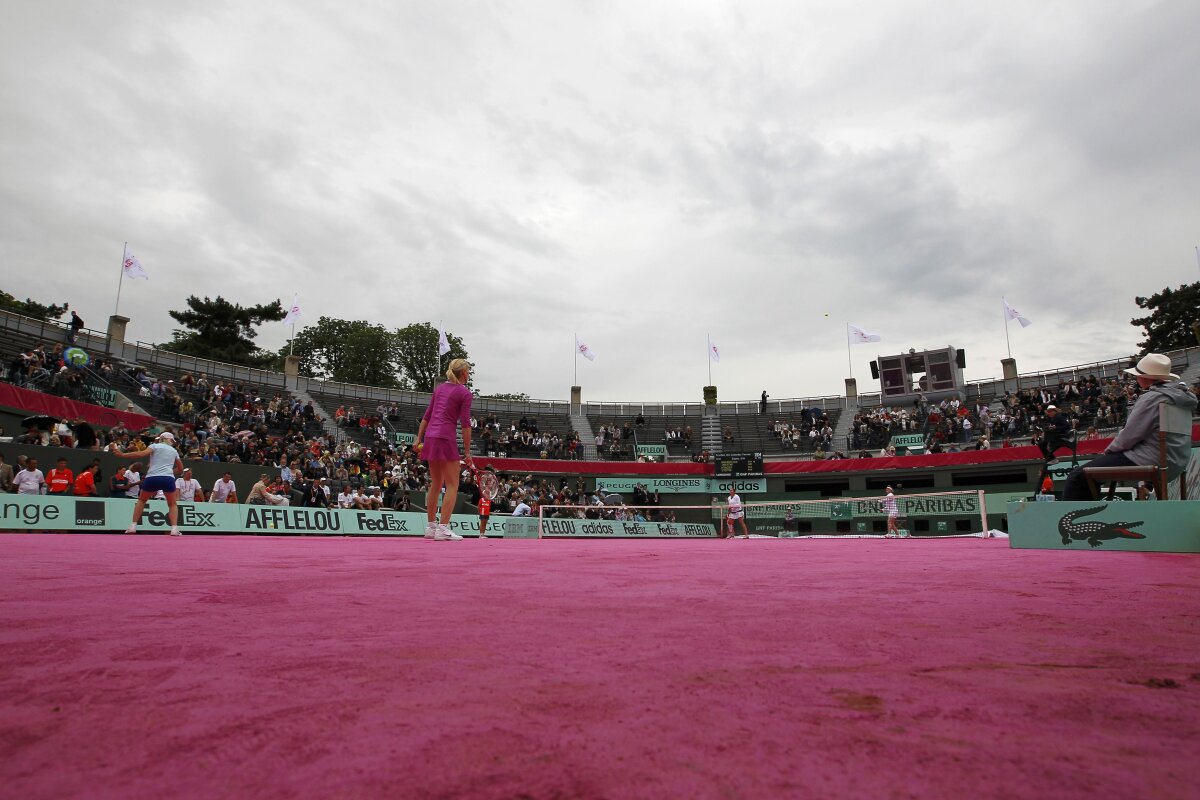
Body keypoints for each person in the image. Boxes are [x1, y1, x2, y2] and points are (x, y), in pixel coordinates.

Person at [1063, 354, 1197, 500]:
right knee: (1092, 473)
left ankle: (1079, 520)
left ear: (1145, 377)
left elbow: (1131, 435)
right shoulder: (1182, 400)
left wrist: (1110, 451)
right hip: (1177, 462)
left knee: (1077, 477)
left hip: (1153, 459)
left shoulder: (1152, 398)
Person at [415, 358, 474, 541]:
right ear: (464, 374)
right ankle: (443, 527)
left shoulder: (439, 389)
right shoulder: (464, 393)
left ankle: (431, 527)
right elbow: (465, 424)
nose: (469, 374)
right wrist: (467, 451)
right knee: (452, 485)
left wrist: (418, 439)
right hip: (446, 437)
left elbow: (427, 416)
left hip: (431, 436)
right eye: (468, 371)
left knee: (436, 483)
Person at [110, 431, 184, 536]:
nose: (172, 442)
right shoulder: (174, 451)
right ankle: (174, 529)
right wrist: (169, 472)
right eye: (172, 440)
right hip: (168, 478)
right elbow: (180, 468)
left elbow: (140, 454)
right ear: (169, 440)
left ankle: (133, 526)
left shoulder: (154, 446)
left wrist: (122, 454)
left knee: (141, 500)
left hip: (152, 477)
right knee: (172, 504)